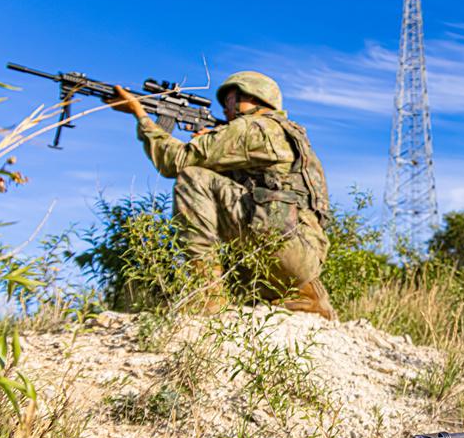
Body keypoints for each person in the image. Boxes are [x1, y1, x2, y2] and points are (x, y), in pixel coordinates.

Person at [110, 71, 336, 319]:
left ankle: (206, 297)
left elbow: (175, 161)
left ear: (251, 98)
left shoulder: (252, 127)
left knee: (193, 178)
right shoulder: (288, 135)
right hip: (306, 256)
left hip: (279, 244)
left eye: (229, 99)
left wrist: (141, 115)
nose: (224, 109)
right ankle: (306, 297)